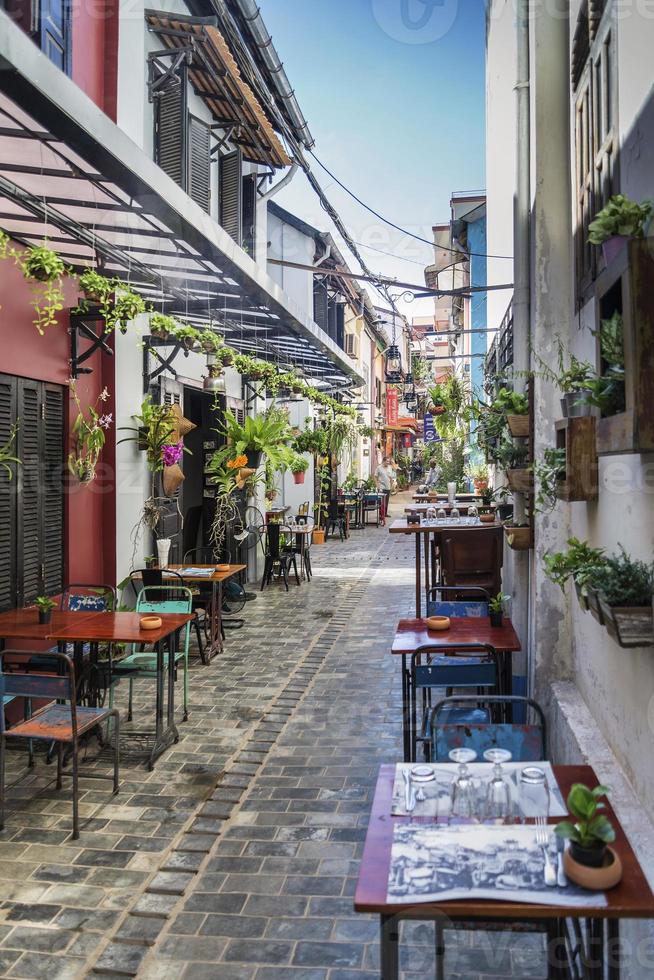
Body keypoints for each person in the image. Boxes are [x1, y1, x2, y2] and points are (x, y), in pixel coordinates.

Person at [375, 457, 394, 524]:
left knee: (386, 501)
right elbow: (375, 477)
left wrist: (392, 485)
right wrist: (377, 485)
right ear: (383, 461)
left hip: (388, 486)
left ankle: (385, 513)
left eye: (389, 461)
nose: (388, 463)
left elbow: (391, 477)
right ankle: (381, 514)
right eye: (387, 461)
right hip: (381, 487)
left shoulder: (389, 468)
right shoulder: (379, 468)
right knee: (381, 502)